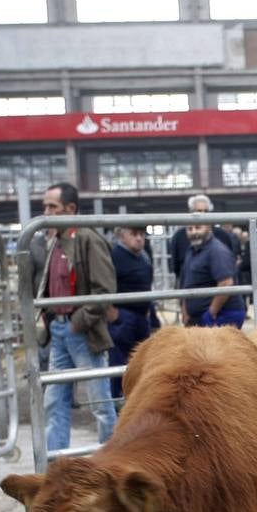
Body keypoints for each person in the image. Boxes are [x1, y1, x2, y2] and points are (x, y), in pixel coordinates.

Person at [38, 182, 118, 451]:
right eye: (45, 207)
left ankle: (111, 460)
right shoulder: (54, 241)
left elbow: (104, 289)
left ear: (70, 209)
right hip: (61, 329)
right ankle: (54, 461)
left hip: (82, 330)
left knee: (99, 401)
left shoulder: (88, 238)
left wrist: (78, 321)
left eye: (52, 207)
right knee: (54, 399)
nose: (46, 212)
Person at [108, 225, 160, 399]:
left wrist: (150, 314)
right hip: (122, 315)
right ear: (122, 236)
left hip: (141, 315)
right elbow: (106, 285)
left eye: (142, 234)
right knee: (119, 362)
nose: (139, 238)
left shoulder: (144, 256)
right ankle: (117, 400)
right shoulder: (114, 256)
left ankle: (137, 398)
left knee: (141, 360)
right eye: (134, 234)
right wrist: (112, 313)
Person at [181, 221, 245, 328]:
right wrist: (185, 312)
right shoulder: (191, 251)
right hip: (201, 317)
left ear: (208, 227)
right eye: (189, 229)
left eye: (198, 227)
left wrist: (210, 313)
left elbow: (226, 283)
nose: (193, 232)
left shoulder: (217, 251)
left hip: (222, 315)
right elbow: (187, 284)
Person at [169, 193, 239, 285]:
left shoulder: (222, 235)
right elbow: (176, 267)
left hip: (217, 288)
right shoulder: (179, 237)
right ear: (191, 212)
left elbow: (230, 265)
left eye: (206, 211)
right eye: (199, 211)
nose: (203, 214)